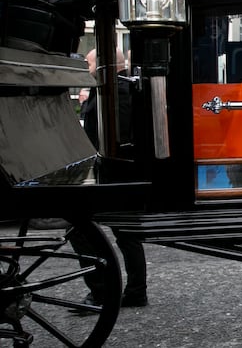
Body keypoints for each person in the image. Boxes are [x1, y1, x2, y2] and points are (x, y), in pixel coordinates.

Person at [76, 48, 148, 308]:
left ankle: (101, 291)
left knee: (80, 230)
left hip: (115, 173)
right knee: (127, 234)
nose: (87, 68)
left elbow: (101, 135)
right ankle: (135, 290)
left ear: (103, 65)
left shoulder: (111, 92)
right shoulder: (122, 90)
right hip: (122, 173)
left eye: (89, 63)